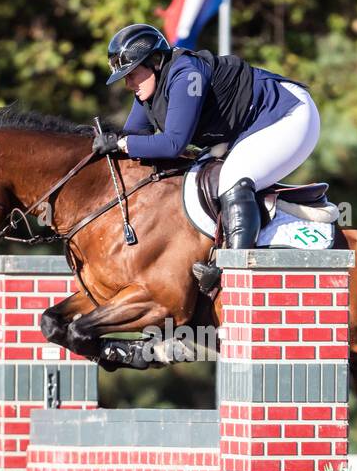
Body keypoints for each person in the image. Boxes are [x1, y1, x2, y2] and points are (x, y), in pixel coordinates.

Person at [95, 23, 321, 288]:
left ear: (154, 61)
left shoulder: (186, 74)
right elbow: (135, 137)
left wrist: (120, 144)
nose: (127, 83)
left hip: (288, 114)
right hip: (250, 128)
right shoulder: (148, 90)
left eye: (131, 74)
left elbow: (172, 145)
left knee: (233, 178)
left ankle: (230, 272)